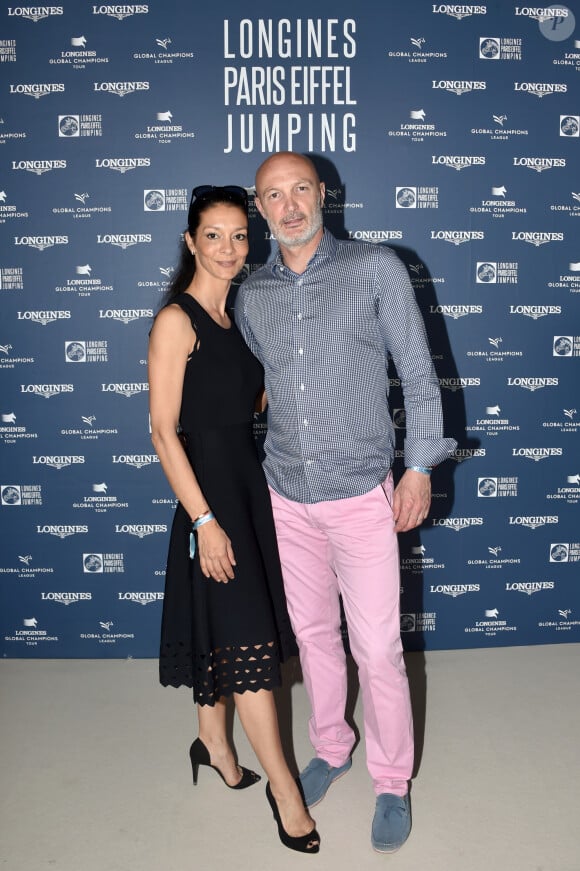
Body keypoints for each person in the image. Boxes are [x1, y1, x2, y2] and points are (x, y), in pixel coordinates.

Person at [235, 153, 457, 854]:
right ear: (259, 207)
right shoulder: (252, 295)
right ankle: (331, 746)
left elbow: (419, 375)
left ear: (323, 194)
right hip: (285, 495)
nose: (290, 204)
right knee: (313, 639)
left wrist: (418, 465)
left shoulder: (376, 268)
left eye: (301, 188)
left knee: (379, 647)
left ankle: (391, 780)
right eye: (275, 194)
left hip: (362, 493)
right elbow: (258, 386)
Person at [147, 184, 320, 854]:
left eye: (239, 235)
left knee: (226, 632)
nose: (228, 248)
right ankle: (284, 788)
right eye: (213, 235)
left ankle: (213, 743)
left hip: (250, 493)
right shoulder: (177, 321)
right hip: (211, 505)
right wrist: (204, 521)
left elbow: (250, 397)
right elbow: (164, 433)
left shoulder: (238, 318)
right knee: (248, 648)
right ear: (191, 241)